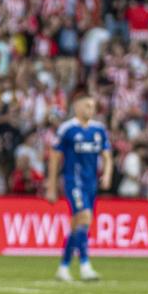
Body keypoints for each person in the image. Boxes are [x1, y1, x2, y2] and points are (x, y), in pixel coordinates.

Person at [46, 93, 113, 281]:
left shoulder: (99, 130)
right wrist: (51, 186)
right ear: (77, 107)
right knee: (84, 217)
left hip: (91, 183)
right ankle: (85, 265)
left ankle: (63, 267)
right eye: (87, 106)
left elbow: (107, 156)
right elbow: (55, 157)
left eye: (92, 106)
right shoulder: (67, 129)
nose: (90, 109)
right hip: (73, 181)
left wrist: (107, 175)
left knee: (79, 225)